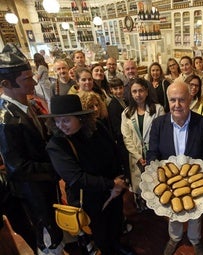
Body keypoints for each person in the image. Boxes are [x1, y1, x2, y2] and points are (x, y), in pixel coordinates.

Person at [43, 95, 134, 255]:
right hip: (90, 197)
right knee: (100, 231)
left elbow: (114, 151)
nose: (61, 125)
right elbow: (76, 178)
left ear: (80, 117)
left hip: (115, 188)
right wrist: (111, 185)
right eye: (57, 121)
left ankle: (116, 245)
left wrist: (121, 179)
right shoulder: (57, 145)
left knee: (115, 221)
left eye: (66, 120)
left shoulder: (97, 127)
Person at [0, 43, 63, 254]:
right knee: (46, 237)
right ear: (6, 83)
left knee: (55, 226)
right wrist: (53, 169)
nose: (33, 81)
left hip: (44, 185)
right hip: (32, 192)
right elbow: (17, 167)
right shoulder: (6, 120)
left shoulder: (28, 104)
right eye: (26, 78)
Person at [146, 80, 203, 255]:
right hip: (170, 183)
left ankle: (195, 239)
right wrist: (152, 171)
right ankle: (175, 238)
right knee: (173, 213)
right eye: (172, 100)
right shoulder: (158, 124)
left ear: (190, 99)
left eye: (182, 100)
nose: (177, 105)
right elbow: (152, 152)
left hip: (195, 181)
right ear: (168, 101)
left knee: (196, 214)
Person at [121, 78, 165, 211]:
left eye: (141, 90)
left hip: (154, 152)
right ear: (131, 93)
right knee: (140, 183)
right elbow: (127, 137)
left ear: (146, 91)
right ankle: (142, 205)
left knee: (155, 181)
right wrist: (138, 156)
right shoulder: (127, 113)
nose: (138, 94)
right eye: (134, 91)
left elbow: (161, 133)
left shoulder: (157, 109)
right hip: (137, 156)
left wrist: (152, 152)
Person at [107, 78, 130, 183]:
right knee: (126, 162)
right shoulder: (113, 105)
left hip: (127, 134)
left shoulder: (124, 101)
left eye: (120, 88)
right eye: (115, 89)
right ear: (111, 90)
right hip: (122, 139)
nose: (119, 91)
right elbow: (116, 126)